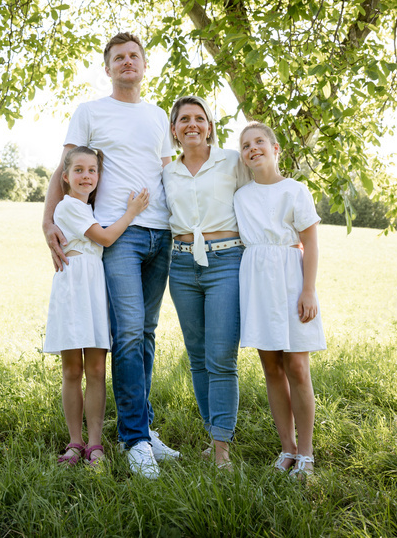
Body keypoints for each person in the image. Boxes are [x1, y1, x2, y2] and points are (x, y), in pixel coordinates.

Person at [42, 32, 180, 479]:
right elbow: (63, 169)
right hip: (120, 235)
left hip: (162, 233)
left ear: (144, 64)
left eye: (133, 56)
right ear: (107, 67)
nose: (126, 63)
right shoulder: (90, 112)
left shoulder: (159, 116)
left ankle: (142, 427)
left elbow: (168, 174)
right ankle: (134, 439)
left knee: (147, 334)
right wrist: (48, 223)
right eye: (118, 57)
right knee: (127, 334)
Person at [43, 145, 150, 469]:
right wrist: (131, 212)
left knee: (97, 370)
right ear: (65, 177)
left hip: (94, 290)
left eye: (92, 170)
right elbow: (104, 239)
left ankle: (94, 443)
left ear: (99, 176)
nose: (86, 176)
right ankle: (75, 441)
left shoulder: (88, 209)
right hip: (74, 287)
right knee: (73, 369)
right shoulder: (68, 207)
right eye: (79, 170)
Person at [232, 121, 324, 478]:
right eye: (245, 145)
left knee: (297, 367)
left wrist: (308, 289)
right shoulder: (241, 196)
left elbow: (311, 242)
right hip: (255, 281)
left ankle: (306, 452)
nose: (253, 148)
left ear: (275, 149)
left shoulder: (295, 190)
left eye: (259, 142)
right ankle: (286, 447)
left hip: (289, 278)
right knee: (271, 366)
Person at [162, 96, 249, 469]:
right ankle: (211, 432)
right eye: (184, 119)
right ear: (174, 130)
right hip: (181, 265)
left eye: (200, 118)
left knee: (221, 358)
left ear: (210, 126)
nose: (192, 124)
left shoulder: (231, 160)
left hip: (226, 260)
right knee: (197, 358)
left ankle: (222, 450)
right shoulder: (167, 171)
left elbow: (259, 195)